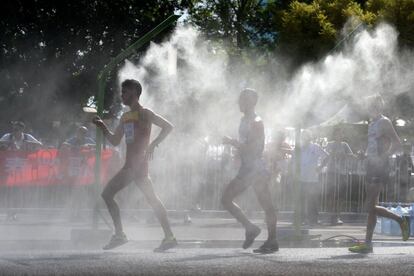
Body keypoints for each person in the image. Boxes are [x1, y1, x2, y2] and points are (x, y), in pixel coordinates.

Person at [93, 79, 176, 251]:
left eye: (125, 91)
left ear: (135, 93)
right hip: (133, 164)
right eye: (122, 91)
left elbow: (168, 126)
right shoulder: (125, 117)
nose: (122, 94)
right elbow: (115, 141)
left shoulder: (145, 113)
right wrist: (102, 126)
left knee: (108, 194)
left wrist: (154, 144)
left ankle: (120, 235)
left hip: (135, 165)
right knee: (151, 199)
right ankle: (169, 237)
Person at [349, 95, 410, 254]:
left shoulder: (384, 121)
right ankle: (368, 243)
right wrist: (365, 155)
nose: (369, 108)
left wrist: (383, 157)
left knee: (369, 206)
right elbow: (374, 146)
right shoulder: (372, 124)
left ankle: (400, 220)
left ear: (378, 106)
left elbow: (397, 143)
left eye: (371, 105)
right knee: (371, 207)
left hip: (380, 167)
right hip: (371, 165)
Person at [221, 88, 278, 254]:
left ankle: (269, 238)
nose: (239, 102)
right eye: (239, 99)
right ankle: (253, 229)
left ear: (251, 102)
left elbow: (255, 148)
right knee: (227, 199)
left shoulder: (256, 121)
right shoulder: (244, 119)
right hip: (249, 168)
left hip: (255, 169)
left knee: (266, 205)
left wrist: (233, 143)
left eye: (242, 99)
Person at [295, 130, 328, 226]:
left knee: (312, 199)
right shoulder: (299, 148)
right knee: (301, 199)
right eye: (303, 136)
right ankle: (301, 219)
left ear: (310, 137)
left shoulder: (315, 147)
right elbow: (294, 161)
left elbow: (326, 157)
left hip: (312, 178)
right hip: (301, 177)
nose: (304, 138)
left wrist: (320, 167)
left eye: (306, 136)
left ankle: (314, 219)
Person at [325, 127, 354, 225]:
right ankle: (330, 216)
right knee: (331, 195)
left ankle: (337, 216)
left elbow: (351, 155)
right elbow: (325, 154)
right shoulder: (329, 144)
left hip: (342, 172)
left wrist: (344, 155)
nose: (339, 135)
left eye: (341, 134)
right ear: (334, 135)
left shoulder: (345, 145)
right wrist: (333, 154)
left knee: (341, 196)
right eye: (337, 133)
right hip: (331, 172)